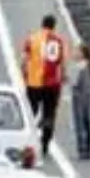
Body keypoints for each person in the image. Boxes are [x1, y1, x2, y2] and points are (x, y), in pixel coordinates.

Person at [21, 15, 66, 158]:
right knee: (49, 114)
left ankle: (28, 141)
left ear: (42, 25)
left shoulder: (32, 38)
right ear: (54, 26)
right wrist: (62, 80)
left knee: (30, 113)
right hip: (52, 84)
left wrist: (25, 77)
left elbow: (24, 61)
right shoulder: (59, 41)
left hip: (34, 82)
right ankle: (45, 144)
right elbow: (62, 64)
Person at [70, 43, 90, 160]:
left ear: (82, 54)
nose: (74, 53)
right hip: (88, 97)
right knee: (87, 122)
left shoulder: (77, 67)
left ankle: (82, 149)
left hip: (78, 96)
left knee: (79, 123)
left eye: (76, 51)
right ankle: (89, 149)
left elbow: (73, 82)